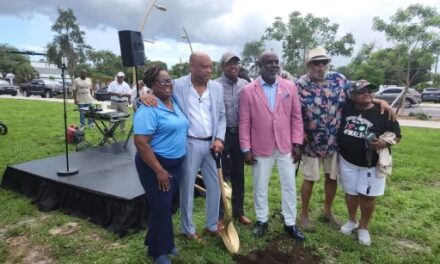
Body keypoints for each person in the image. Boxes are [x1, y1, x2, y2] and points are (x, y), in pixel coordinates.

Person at [296, 47, 394, 231]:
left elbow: (360, 93)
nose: (320, 66)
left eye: (323, 62)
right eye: (316, 63)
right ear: (308, 65)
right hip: (311, 141)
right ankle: (304, 214)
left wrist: (380, 101)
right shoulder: (300, 84)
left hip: (334, 140)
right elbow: (292, 110)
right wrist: (299, 132)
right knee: (309, 178)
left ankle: (327, 211)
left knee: (331, 178)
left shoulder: (339, 79)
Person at [141, 52, 226, 241]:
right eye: (204, 66)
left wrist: (219, 138)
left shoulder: (217, 88)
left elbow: (221, 116)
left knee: (215, 185)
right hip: (189, 144)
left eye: (211, 66)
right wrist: (142, 96)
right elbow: (153, 90)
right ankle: (188, 229)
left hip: (212, 144)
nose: (209, 70)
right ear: (192, 67)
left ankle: (212, 225)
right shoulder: (177, 85)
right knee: (187, 188)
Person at [239, 51, 305, 242]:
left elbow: (296, 117)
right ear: (259, 66)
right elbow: (244, 122)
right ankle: (262, 220)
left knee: (290, 185)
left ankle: (290, 222)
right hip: (260, 146)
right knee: (260, 186)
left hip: (286, 146)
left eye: (276, 62)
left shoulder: (289, 87)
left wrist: (298, 143)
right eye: (269, 62)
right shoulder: (248, 90)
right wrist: (245, 149)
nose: (274, 65)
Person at [134, 66, 188, 264]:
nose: (168, 84)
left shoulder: (174, 101)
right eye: (162, 81)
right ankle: (157, 252)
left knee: (165, 206)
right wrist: (159, 170)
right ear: (152, 85)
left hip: (175, 165)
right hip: (155, 166)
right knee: (161, 207)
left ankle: (160, 241)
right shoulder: (149, 108)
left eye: (169, 80)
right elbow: (140, 142)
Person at [338, 80, 401, 246]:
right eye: (362, 91)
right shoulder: (348, 107)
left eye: (370, 90)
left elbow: (397, 135)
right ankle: (352, 221)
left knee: (368, 196)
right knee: (351, 193)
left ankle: (363, 227)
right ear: (352, 96)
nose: (367, 93)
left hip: (371, 164)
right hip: (347, 160)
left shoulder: (383, 112)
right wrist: (380, 100)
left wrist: (384, 143)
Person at [215, 52, 251, 225]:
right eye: (229, 64)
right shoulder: (214, 85)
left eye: (236, 63)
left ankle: (239, 211)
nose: (233, 67)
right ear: (223, 66)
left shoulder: (245, 84)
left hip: (241, 134)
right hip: (222, 134)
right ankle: (220, 215)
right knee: (219, 174)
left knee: (239, 173)